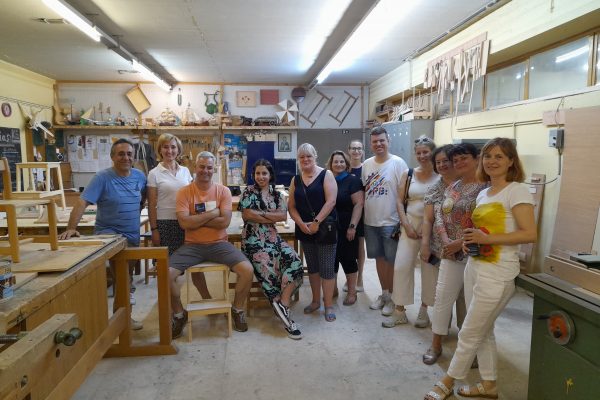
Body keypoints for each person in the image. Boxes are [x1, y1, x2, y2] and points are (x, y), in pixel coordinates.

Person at [424, 138, 536, 400]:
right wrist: (469, 242)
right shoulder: (485, 193)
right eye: (488, 156)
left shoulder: (516, 190)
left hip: (498, 272)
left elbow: (530, 233)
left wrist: (488, 239)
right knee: (484, 331)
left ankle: (447, 381)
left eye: (499, 156)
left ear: (511, 161)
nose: (492, 161)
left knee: (470, 331)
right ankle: (489, 385)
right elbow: (480, 230)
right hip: (475, 265)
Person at [58, 138, 147, 330]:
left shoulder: (140, 177)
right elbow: (82, 203)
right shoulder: (102, 178)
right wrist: (71, 228)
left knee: (126, 277)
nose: (125, 157)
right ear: (112, 156)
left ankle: (121, 317)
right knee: (121, 277)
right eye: (121, 154)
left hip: (132, 236)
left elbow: (143, 198)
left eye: (129, 154)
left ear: (133, 157)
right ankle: (118, 320)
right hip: (110, 235)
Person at [168, 152, 254, 338]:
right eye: (202, 167)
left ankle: (237, 310)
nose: (205, 171)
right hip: (192, 246)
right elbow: (184, 224)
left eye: (209, 167)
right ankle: (179, 314)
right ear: (195, 168)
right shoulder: (184, 192)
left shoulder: (223, 191)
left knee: (247, 270)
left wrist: (196, 219)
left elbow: (224, 223)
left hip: (219, 244)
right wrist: (213, 213)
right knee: (165, 275)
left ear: (213, 169)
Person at [422, 143, 487, 367]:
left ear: (477, 158)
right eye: (455, 160)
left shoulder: (486, 188)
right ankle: (436, 345)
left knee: (471, 304)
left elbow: (487, 224)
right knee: (442, 299)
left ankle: (471, 350)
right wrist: (448, 242)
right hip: (449, 253)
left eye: (463, 158)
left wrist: (461, 242)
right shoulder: (453, 187)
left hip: (475, 254)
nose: (458, 163)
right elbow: (440, 216)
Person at [239, 159, 304, 339]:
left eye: (264, 173)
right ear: (254, 175)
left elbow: (282, 216)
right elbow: (246, 214)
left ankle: (283, 302)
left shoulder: (277, 195)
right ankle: (287, 320)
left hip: (273, 238)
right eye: (258, 173)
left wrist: (259, 214)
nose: (261, 176)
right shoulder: (248, 192)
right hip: (253, 241)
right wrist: (270, 216)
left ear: (270, 175)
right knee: (267, 268)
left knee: (295, 260)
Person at [383, 136, 439, 328]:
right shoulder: (409, 174)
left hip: (432, 231)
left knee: (430, 270)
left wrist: (432, 230)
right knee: (401, 267)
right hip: (409, 227)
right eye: (419, 153)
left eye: (426, 152)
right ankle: (400, 311)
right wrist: (405, 224)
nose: (422, 156)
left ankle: (425, 310)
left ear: (433, 152)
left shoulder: (442, 176)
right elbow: (399, 200)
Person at [147, 133, 212, 299]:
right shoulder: (154, 173)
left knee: (195, 265)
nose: (169, 151)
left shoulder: (185, 171)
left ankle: (207, 298)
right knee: (168, 270)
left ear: (178, 150)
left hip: (186, 223)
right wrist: (154, 229)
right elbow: (152, 204)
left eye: (173, 147)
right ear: (160, 149)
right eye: (166, 147)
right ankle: (173, 308)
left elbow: (193, 196)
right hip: (166, 225)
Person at [288, 143, 338, 322]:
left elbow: (331, 201)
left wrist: (317, 222)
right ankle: (316, 301)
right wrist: (300, 223)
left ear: (315, 156)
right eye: (302, 157)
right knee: (313, 268)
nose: (305, 159)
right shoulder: (296, 179)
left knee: (326, 268)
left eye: (308, 156)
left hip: (324, 229)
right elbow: (291, 206)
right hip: (305, 230)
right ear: (298, 159)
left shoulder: (326, 174)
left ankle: (329, 305)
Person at [362, 126, 408, 316]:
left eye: (382, 140)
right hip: (371, 222)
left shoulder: (398, 163)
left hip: (391, 222)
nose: (378, 144)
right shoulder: (366, 165)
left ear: (388, 141)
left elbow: (404, 195)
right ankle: (385, 295)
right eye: (375, 141)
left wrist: (402, 221)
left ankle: (395, 299)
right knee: (379, 261)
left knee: (392, 262)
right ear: (371, 144)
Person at [327, 150, 364, 306]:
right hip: (330, 227)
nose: (339, 164)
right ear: (331, 164)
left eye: (342, 161)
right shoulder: (328, 180)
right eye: (336, 161)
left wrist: (352, 227)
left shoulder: (352, 181)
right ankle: (333, 289)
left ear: (347, 164)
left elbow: (359, 204)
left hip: (348, 226)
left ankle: (351, 292)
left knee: (348, 258)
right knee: (332, 259)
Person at [347, 139, 366, 292]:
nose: (356, 151)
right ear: (349, 151)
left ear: (362, 151)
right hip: (346, 211)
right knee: (348, 246)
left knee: (359, 245)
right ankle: (350, 277)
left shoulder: (365, 169)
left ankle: (360, 279)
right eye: (353, 148)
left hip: (361, 211)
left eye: (359, 148)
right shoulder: (344, 169)